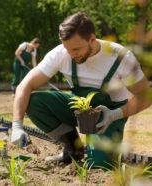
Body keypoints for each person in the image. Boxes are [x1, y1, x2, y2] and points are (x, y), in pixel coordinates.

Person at [10, 12, 152, 168]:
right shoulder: (62, 53)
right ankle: (73, 148)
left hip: (110, 114)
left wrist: (114, 115)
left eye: (76, 49)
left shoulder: (119, 57)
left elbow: (145, 96)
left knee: (99, 165)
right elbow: (25, 85)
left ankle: (103, 149)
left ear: (92, 39)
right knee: (35, 102)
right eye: (67, 49)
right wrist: (17, 125)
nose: (71, 55)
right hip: (79, 109)